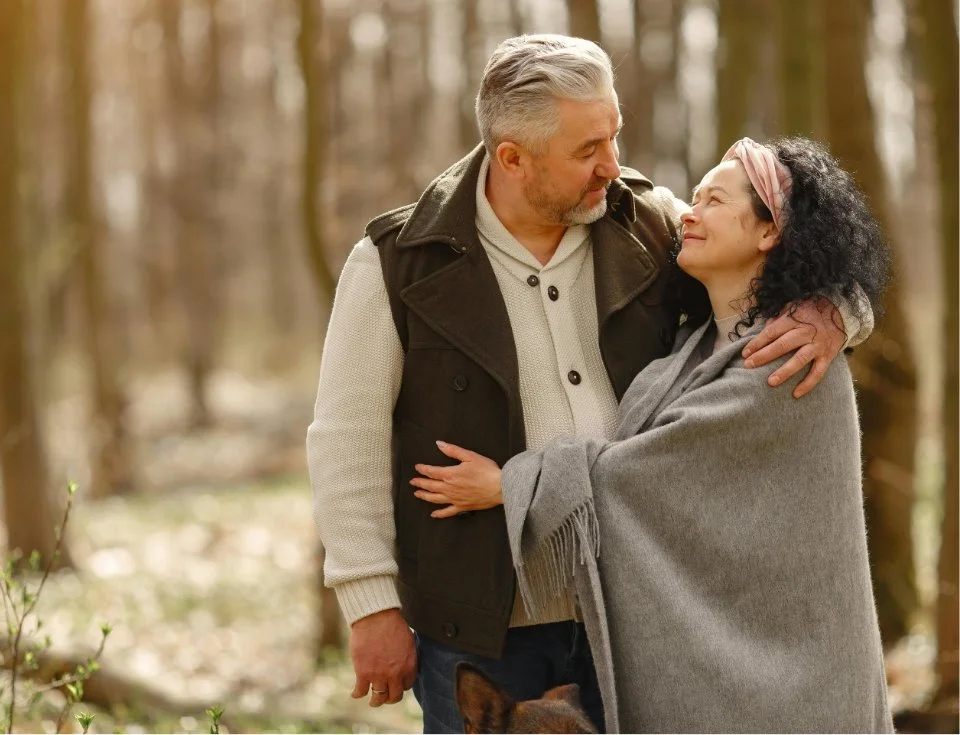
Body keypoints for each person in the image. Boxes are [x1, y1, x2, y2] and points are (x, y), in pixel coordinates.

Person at [307, 35, 870, 734]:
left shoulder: (649, 223)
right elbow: (346, 438)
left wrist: (837, 310)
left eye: (613, 135)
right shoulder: (398, 263)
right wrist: (371, 604)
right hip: (483, 629)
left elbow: (784, 253)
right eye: (586, 150)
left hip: (636, 618)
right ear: (512, 157)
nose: (612, 164)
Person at [411, 136, 893, 733]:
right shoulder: (692, 350)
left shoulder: (790, 359)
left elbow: (645, 473)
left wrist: (512, 484)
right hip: (734, 679)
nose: (689, 213)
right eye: (694, 197)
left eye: (715, 200)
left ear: (770, 233)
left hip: (797, 684)